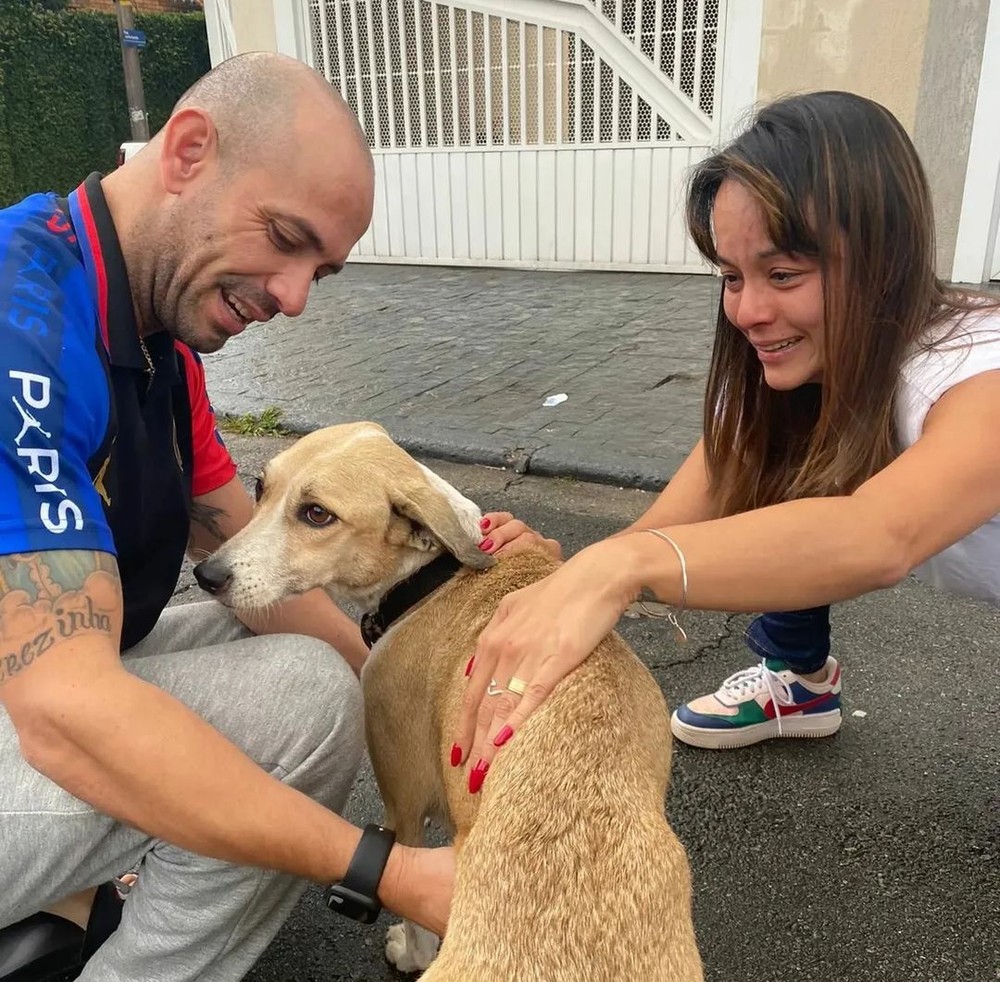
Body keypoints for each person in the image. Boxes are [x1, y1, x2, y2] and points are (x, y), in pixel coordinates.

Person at [0, 52, 452, 981]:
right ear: (191, 150)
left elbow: (254, 560)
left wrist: (434, 693)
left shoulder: (154, 334)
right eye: (285, 238)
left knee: (249, 627)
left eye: (318, 273)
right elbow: (62, 712)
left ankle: (89, 910)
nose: (292, 297)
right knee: (299, 704)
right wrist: (393, 871)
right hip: (33, 707)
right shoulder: (22, 328)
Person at [453, 90, 1000, 781]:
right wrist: (570, 577)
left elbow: (878, 536)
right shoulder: (808, 368)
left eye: (782, 274)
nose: (747, 311)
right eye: (732, 276)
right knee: (790, 463)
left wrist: (618, 571)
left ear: (883, 260)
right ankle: (798, 679)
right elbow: (683, 524)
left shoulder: (975, 375)